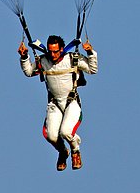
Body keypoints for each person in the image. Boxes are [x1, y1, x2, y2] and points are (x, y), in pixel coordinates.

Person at [18, 34, 98, 171]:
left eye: (56, 51)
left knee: (66, 132)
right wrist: (24, 56)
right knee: (51, 136)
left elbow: (92, 69)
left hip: (71, 102)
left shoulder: (72, 59)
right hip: (54, 104)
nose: (53, 54)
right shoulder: (44, 61)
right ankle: (63, 152)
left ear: (61, 49)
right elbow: (29, 72)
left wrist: (90, 52)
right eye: (50, 51)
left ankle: (75, 150)